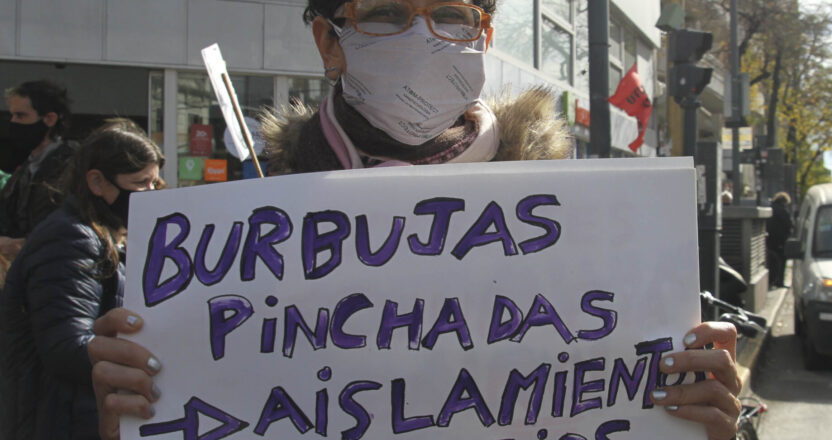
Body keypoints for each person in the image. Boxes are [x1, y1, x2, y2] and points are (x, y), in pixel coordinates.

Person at [87, 0, 742, 439]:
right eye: (389, 14)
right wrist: (138, 410)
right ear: (328, 40)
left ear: (482, 36)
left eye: (452, 15)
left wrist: (705, 423)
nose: (423, 38)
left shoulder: (604, 230)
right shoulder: (235, 245)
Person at [0, 119, 165, 440]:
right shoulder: (69, 239)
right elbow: (64, 346)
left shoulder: (110, 235)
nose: (150, 194)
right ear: (97, 182)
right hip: (58, 419)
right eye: (140, 183)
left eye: (155, 185)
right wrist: (145, 361)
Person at [0, 80, 78, 262]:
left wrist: (21, 245)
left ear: (50, 119)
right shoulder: (25, 169)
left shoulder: (73, 166)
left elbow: (66, 227)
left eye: (21, 116)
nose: (13, 122)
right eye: (12, 115)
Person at [766, 191, 792, 287]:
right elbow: (788, 225)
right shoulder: (782, 211)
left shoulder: (770, 208)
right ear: (784, 202)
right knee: (781, 261)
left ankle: (771, 281)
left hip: (769, 240)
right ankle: (779, 281)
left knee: (770, 262)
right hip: (780, 241)